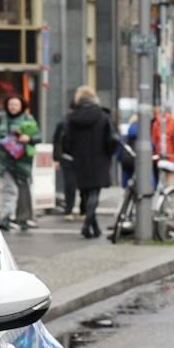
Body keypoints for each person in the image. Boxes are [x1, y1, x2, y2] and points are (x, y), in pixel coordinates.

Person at [65, 86, 117, 238]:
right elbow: (112, 139)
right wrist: (109, 153)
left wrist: (72, 153)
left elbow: (67, 139)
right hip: (100, 158)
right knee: (95, 191)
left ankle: (94, 228)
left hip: (80, 158)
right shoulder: (103, 115)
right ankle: (87, 224)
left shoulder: (73, 117)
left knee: (86, 192)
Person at [0, 95, 39, 231]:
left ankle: (23, 218)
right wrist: (0, 142)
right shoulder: (1, 118)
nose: (13, 107)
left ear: (22, 106)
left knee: (24, 189)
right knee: (9, 189)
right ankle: (6, 218)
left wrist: (29, 138)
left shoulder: (28, 119)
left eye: (16, 104)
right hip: (6, 160)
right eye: (11, 104)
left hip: (23, 160)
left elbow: (38, 136)